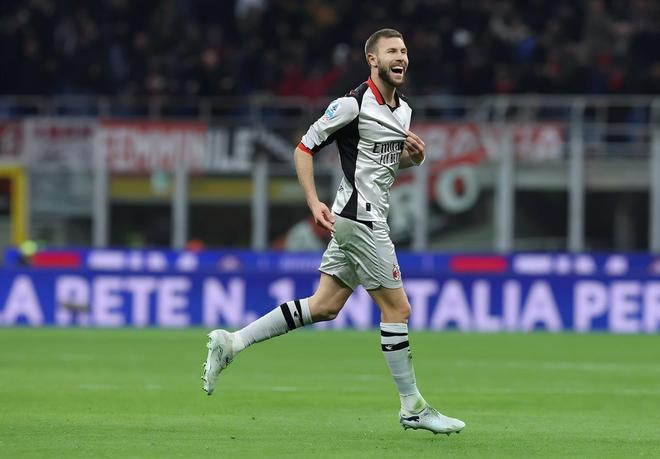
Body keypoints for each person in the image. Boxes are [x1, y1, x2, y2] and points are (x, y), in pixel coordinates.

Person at [202, 28, 465, 435]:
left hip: (363, 216)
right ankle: (412, 407)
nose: (401, 57)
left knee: (324, 305)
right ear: (372, 60)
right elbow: (303, 149)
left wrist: (415, 158)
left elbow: (383, 165)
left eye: (404, 51)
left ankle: (233, 342)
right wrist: (313, 202)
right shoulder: (351, 105)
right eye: (391, 51)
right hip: (359, 219)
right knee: (398, 310)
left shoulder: (404, 111)